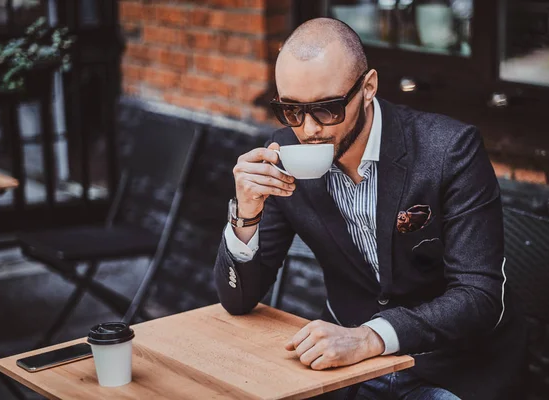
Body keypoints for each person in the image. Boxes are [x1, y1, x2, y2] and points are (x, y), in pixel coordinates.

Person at [214, 17, 526, 400]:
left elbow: (479, 296)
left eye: (327, 109)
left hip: (448, 368)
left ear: (368, 87)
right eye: (291, 110)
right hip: (348, 373)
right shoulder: (282, 155)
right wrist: (246, 213)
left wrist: (370, 337)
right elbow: (239, 299)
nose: (308, 129)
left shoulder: (449, 150)